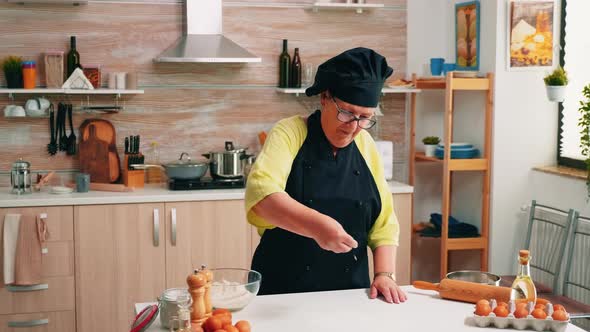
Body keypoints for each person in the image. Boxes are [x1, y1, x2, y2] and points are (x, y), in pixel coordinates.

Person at [244, 47, 407, 304]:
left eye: (365, 118)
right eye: (347, 112)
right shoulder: (290, 132)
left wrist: (384, 274)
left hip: (351, 293)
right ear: (325, 97)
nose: (354, 127)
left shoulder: (365, 145)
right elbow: (262, 196)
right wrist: (318, 227)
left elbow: (384, 222)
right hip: (282, 294)